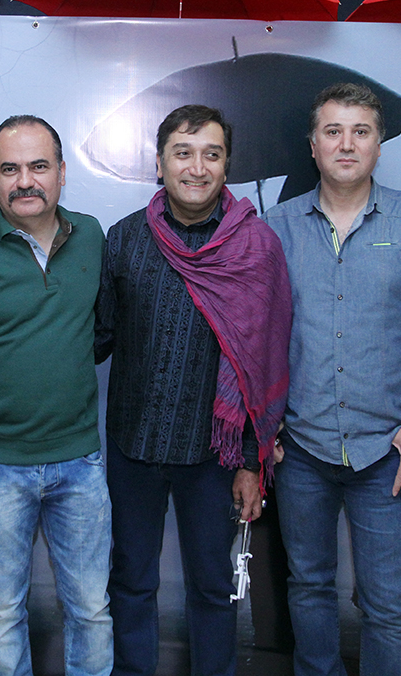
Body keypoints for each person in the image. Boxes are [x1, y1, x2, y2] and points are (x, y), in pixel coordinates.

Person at [263, 82, 401, 676]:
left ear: (379, 144)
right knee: (308, 587)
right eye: (333, 131)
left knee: (389, 603)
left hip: (389, 452)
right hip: (300, 449)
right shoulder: (274, 228)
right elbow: (256, 335)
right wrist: (263, 427)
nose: (346, 144)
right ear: (313, 145)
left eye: (361, 132)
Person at [95, 104, 291, 676]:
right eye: (183, 153)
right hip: (133, 446)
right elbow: (97, 337)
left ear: (227, 165)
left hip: (214, 456)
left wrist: (252, 462)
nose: (197, 168)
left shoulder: (256, 247)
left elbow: (266, 360)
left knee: (211, 587)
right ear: (160, 164)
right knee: (131, 580)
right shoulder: (124, 238)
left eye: (211, 154)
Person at [0, 115, 112, 676]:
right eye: (10, 169)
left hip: (80, 462)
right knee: (3, 608)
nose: (25, 181)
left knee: (91, 607)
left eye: (38, 166)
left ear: (61, 173)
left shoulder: (91, 237)